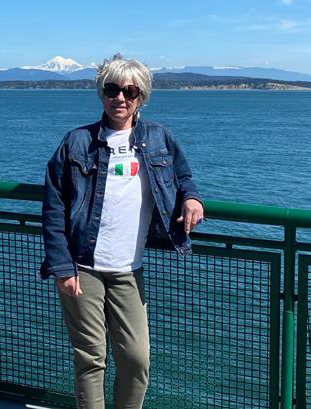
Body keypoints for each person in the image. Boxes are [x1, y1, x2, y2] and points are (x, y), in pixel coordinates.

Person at [40, 54, 204, 409]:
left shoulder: (160, 138)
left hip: (129, 269)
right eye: (112, 89)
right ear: (101, 92)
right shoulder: (76, 142)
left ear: (141, 96)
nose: (120, 98)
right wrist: (62, 267)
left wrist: (191, 198)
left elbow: (183, 176)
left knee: (136, 360)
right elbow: (53, 206)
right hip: (83, 267)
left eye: (130, 91)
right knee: (91, 358)